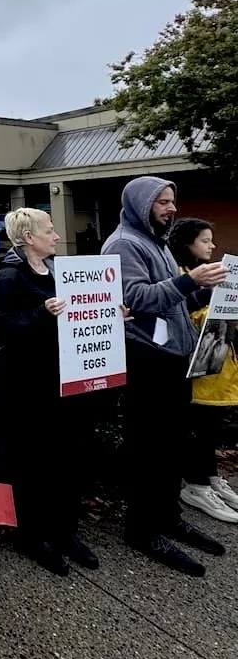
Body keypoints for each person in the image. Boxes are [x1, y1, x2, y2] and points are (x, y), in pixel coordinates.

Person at [102, 177, 228, 576]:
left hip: (174, 360)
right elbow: (136, 298)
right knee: (149, 449)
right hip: (148, 363)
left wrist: (206, 291)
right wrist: (189, 280)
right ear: (140, 205)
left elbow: (172, 300)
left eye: (173, 201)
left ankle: (168, 516)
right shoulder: (125, 244)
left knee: (172, 446)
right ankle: (142, 530)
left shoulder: (155, 242)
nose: (171, 209)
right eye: (162, 202)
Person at [0, 208, 104, 576]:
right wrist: (41, 313)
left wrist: (106, 312)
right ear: (28, 238)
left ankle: (65, 529)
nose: (56, 236)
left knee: (65, 454)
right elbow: (6, 330)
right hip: (27, 383)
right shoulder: (9, 276)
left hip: (63, 377)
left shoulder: (58, 270)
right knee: (33, 460)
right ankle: (33, 535)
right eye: (49, 230)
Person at [168, 218, 238, 524]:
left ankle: (210, 476)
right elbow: (184, 314)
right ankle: (195, 484)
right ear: (187, 243)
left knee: (210, 427)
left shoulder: (212, 276)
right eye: (205, 241)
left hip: (221, 365)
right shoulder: (180, 276)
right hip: (198, 371)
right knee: (198, 427)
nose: (212, 246)